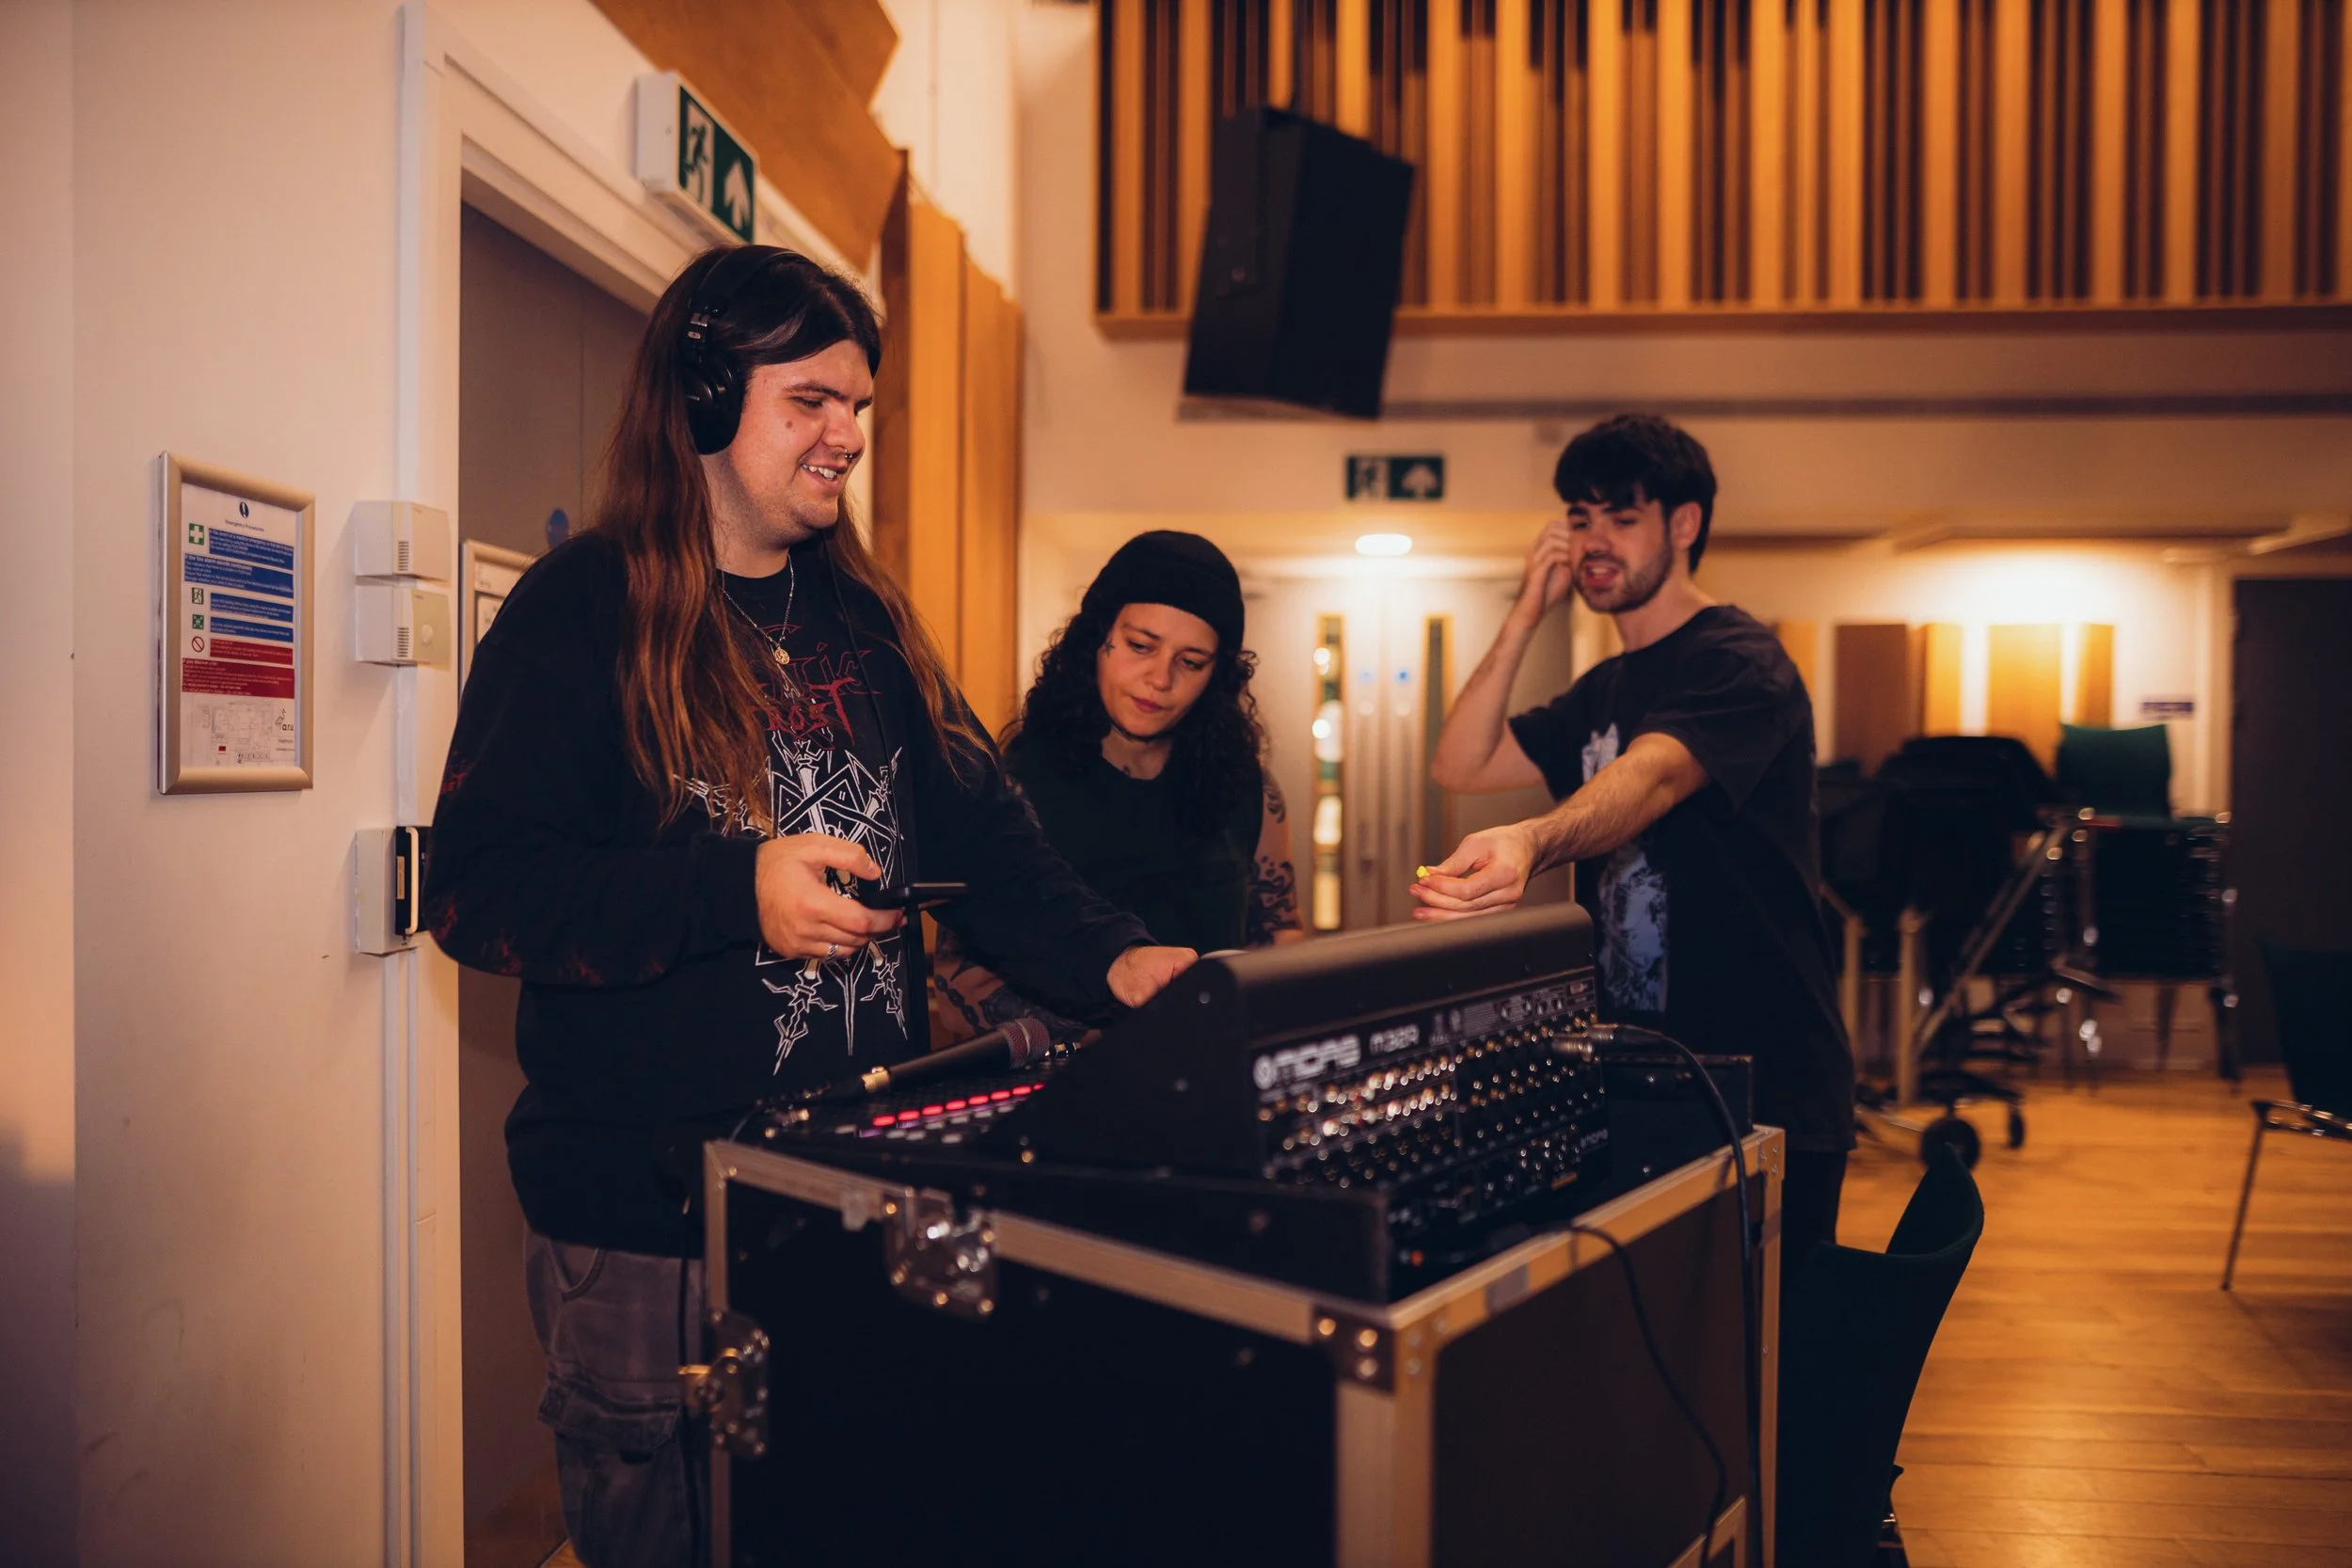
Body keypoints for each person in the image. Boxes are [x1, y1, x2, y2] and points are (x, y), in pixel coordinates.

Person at [421, 244, 1194, 1568]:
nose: (848, 435)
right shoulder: (581, 611)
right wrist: (735, 887)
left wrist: (1124, 960)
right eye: (812, 402)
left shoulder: (869, 618)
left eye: (860, 407)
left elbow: (993, 850)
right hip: (641, 1223)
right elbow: (482, 888)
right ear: (708, 400)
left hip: (846, 1192)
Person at [1414, 414, 1854, 1265]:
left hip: (1763, 1081)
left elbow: (1652, 777)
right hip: (1637, 1073)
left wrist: (1533, 842)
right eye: (1579, 519)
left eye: (1621, 517)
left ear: (1682, 526)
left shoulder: (1739, 659)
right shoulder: (1602, 686)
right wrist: (1524, 613)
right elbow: (1458, 761)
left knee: (1763, 1371)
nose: (1592, 543)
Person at [931, 531, 1305, 1037]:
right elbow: (959, 976)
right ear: (1095, 642)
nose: (1160, 678)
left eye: (1190, 662)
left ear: (1218, 677)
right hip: (1059, 1091)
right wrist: (1097, 1050)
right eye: (1140, 646)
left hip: (1211, 1075)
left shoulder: (1249, 787)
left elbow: (1279, 936)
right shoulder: (1013, 784)